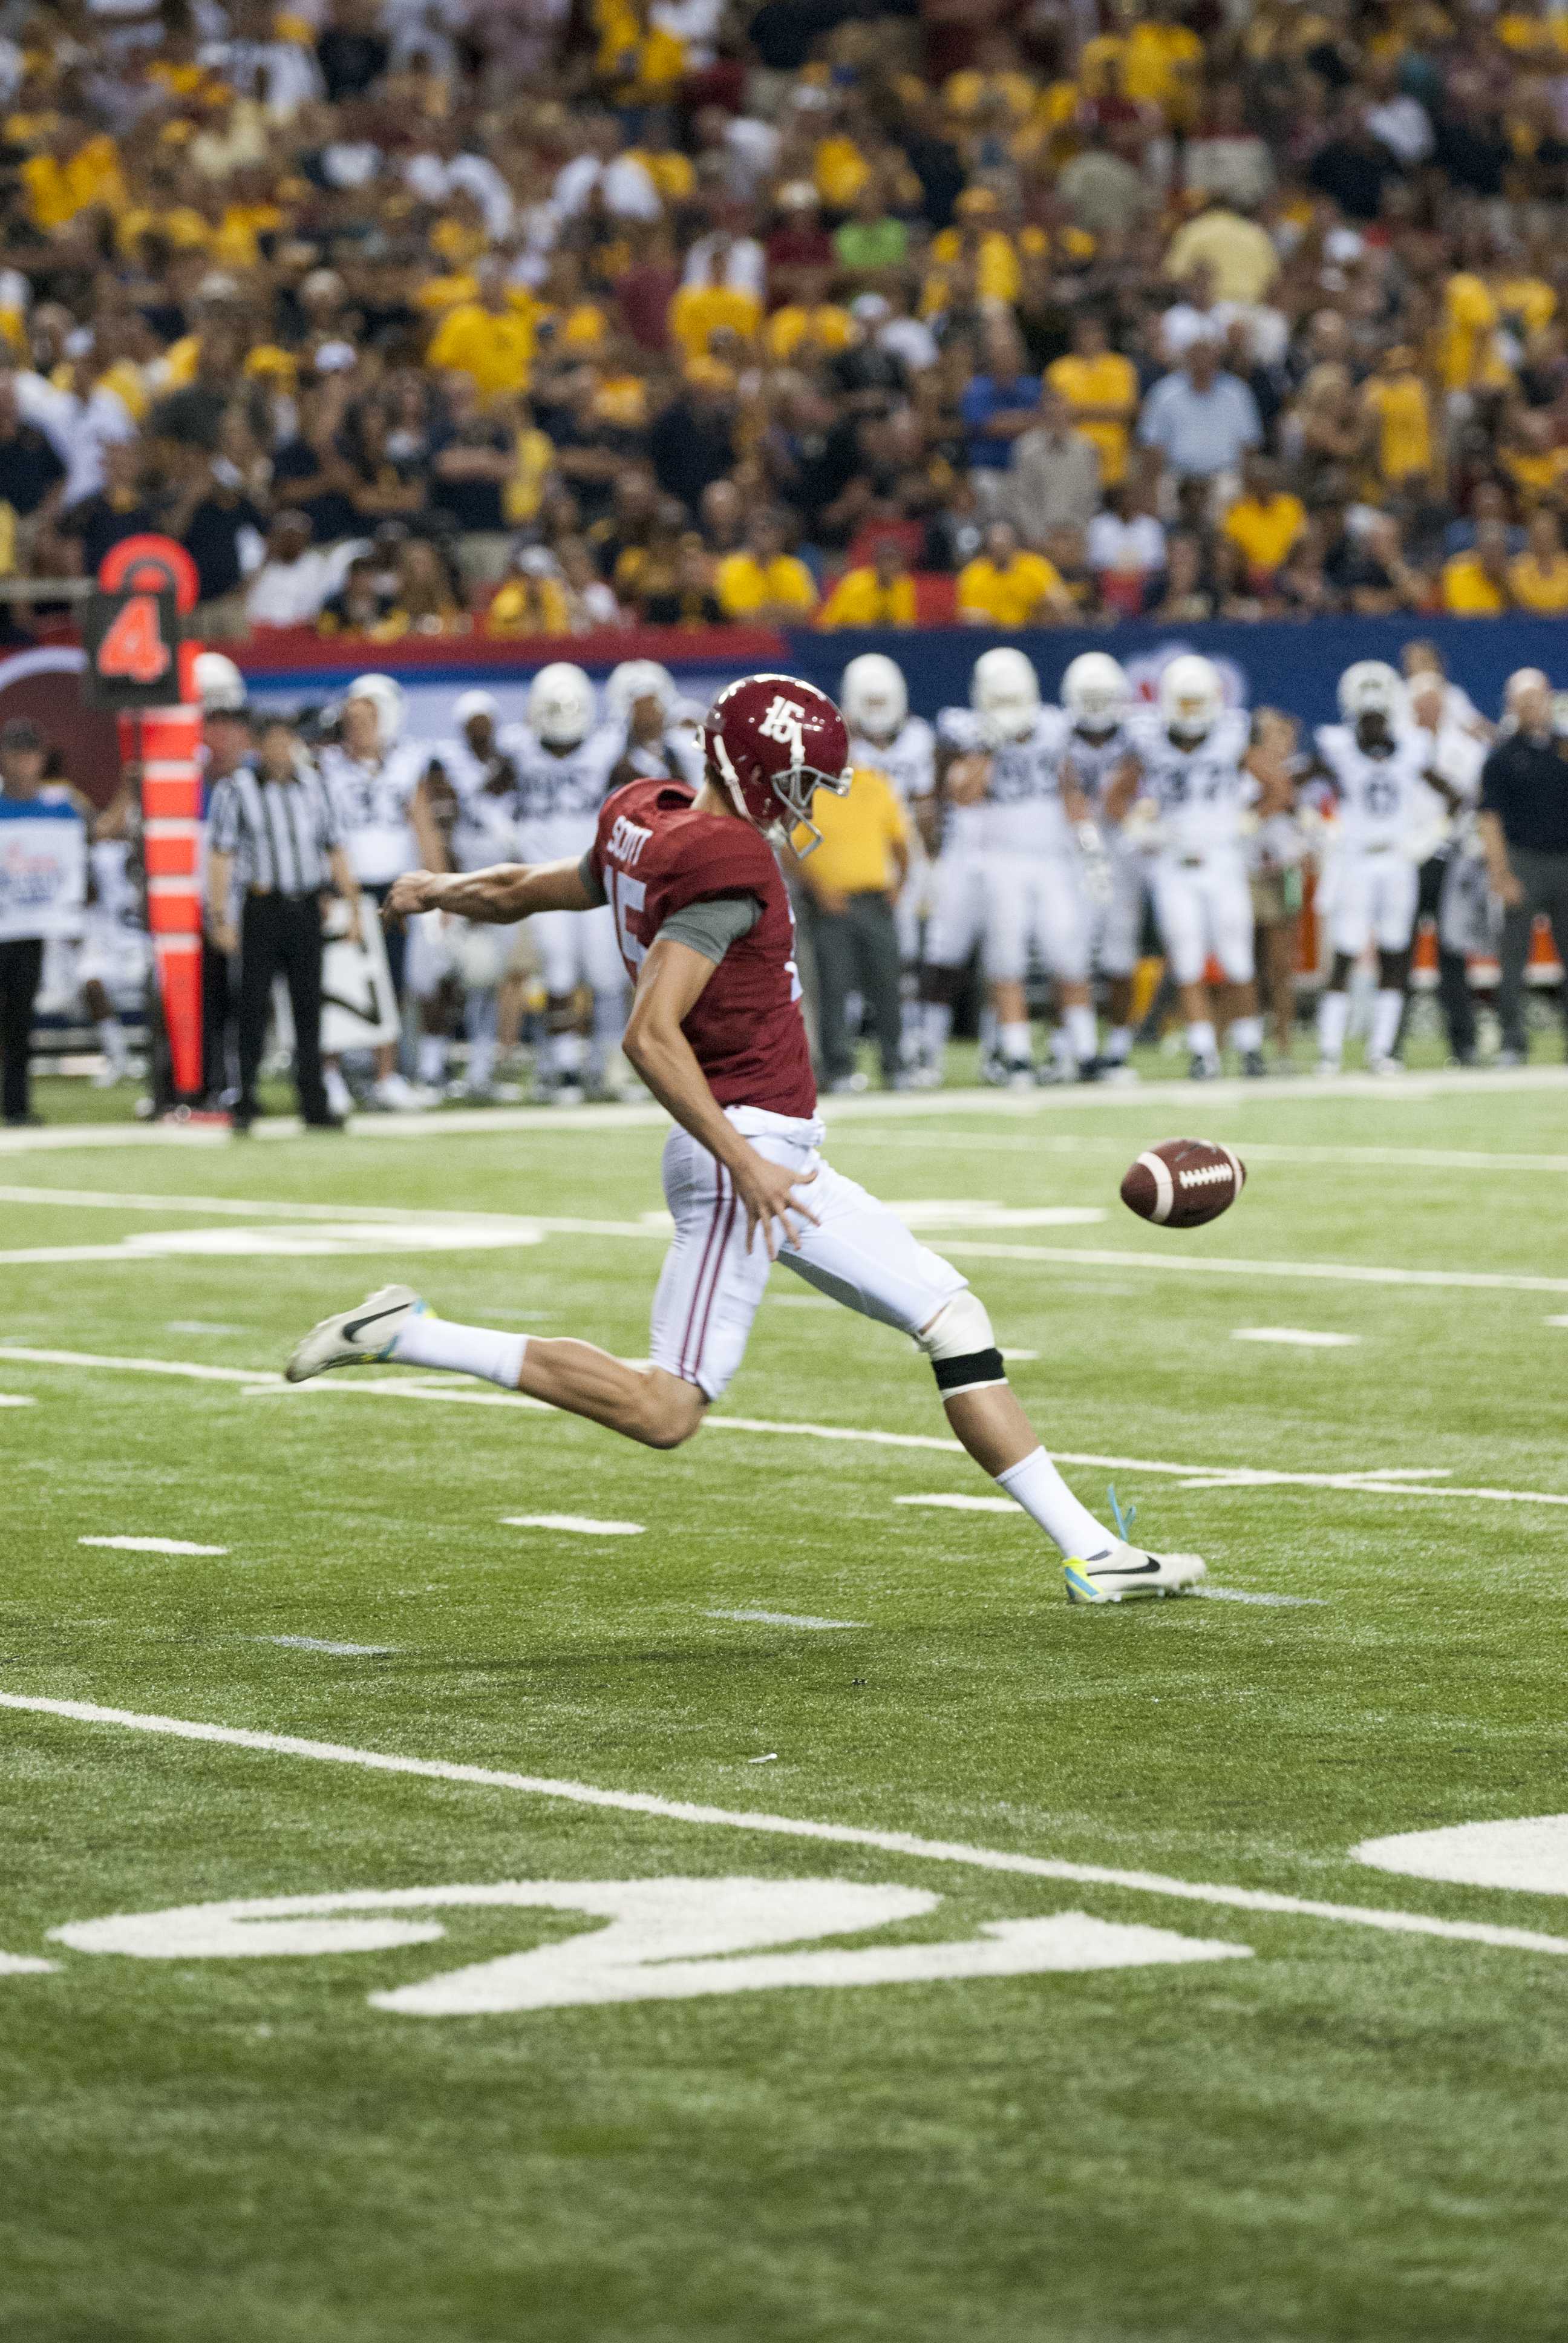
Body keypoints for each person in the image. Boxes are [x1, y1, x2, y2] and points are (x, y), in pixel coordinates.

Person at [287, 673, 1207, 1607]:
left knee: (953, 1320)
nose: (807, 804)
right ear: (766, 776)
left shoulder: (645, 809)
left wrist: (445, 888)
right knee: (665, 1409)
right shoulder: (729, 863)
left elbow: (543, 888)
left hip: (779, 1153)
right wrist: (744, 1160)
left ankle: (1094, 1553)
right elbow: (648, 1033)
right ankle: (411, 1334)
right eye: (803, 783)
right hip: (743, 1150)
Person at [1108, 656, 1291, 1078]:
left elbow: (1279, 787)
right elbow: (1116, 798)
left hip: (1223, 860)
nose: (1191, 713)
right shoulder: (1149, 740)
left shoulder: (1231, 737)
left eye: (1197, 703)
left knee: (1237, 957)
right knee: (1187, 957)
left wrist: (1250, 818)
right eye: (1184, 703)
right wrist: (1137, 823)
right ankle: (1203, 1051)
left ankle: (1248, 1049)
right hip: (1173, 862)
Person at [926, 650, 1102, 1090]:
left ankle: (1085, 1052)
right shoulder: (970, 731)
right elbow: (964, 796)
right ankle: (1019, 1055)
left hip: (1052, 860)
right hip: (1002, 861)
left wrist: (1089, 845)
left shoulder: (1054, 728)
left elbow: (1070, 789)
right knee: (1007, 961)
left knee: (1070, 955)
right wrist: (989, 746)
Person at [205, 710, 365, 1134]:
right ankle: (246, 1098)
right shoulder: (236, 790)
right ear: (258, 747)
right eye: (272, 741)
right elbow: (221, 855)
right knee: (252, 1006)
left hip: (305, 908)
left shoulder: (316, 787)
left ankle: (313, 1101)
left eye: (285, 740)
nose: (279, 750)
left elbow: (336, 849)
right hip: (262, 906)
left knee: (309, 1006)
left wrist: (354, 907)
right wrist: (220, 914)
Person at [1308, 664, 1457, 1075]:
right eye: (1366, 715)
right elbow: (1297, 783)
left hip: (1396, 860)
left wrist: (1433, 834)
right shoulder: (1334, 745)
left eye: (1379, 715)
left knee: (1395, 953)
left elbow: (1454, 794)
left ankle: (1382, 1049)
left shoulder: (1412, 747)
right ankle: (1329, 1050)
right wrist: (1317, 825)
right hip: (1355, 860)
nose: (1373, 723)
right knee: (1345, 952)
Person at [500, 663, 628, 1101]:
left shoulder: (608, 749)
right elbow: (487, 793)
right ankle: (565, 1068)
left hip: (595, 877)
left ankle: (610, 1065)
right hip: (545, 878)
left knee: (606, 972)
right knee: (557, 970)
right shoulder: (517, 750)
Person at [317, 672, 432, 1114]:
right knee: (341, 983)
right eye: (352, 720)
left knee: (392, 983)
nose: (358, 729)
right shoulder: (325, 765)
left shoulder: (407, 764)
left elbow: (423, 827)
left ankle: (387, 1075)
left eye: (367, 720)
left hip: (394, 885)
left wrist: (440, 886)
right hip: (345, 886)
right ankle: (332, 1074)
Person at [840, 653, 936, 1074]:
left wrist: (925, 862)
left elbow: (925, 806)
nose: (876, 713)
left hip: (903, 852)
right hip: (855, 852)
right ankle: (847, 1045)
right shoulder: (839, 740)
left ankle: (908, 1042)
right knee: (849, 958)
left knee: (907, 955)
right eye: (870, 703)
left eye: (884, 702)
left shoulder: (917, 737)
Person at [795, 759, 909, 1092]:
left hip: (875, 900)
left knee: (887, 986)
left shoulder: (874, 781)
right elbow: (791, 847)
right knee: (834, 987)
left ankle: (895, 1066)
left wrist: (900, 882)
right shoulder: (807, 787)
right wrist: (817, 888)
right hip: (830, 904)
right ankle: (838, 1069)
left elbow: (899, 839)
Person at [1056, 654, 1143, 1079]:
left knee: (1120, 955)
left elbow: (1135, 794)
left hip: (1120, 851)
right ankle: (1073, 1048)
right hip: (1072, 851)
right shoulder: (1057, 736)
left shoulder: (1139, 738)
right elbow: (1064, 789)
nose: (1094, 708)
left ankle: (1118, 1048)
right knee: (1068, 951)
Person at [1478, 667, 1568, 1064]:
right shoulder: (1502, 757)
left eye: (1539, 698)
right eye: (1525, 700)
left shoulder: (1564, 749)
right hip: (1523, 861)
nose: (1534, 707)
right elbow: (1490, 819)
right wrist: (1501, 872)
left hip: (1565, 860)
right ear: (1512, 706)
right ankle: (1513, 1041)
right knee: (1513, 959)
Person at [0, 717, 86, 1127]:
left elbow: (95, 833)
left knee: (19, 1021)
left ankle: (16, 1105)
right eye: (15, 753)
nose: (22, 763)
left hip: (28, 927)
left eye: (29, 753)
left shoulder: (62, 807)